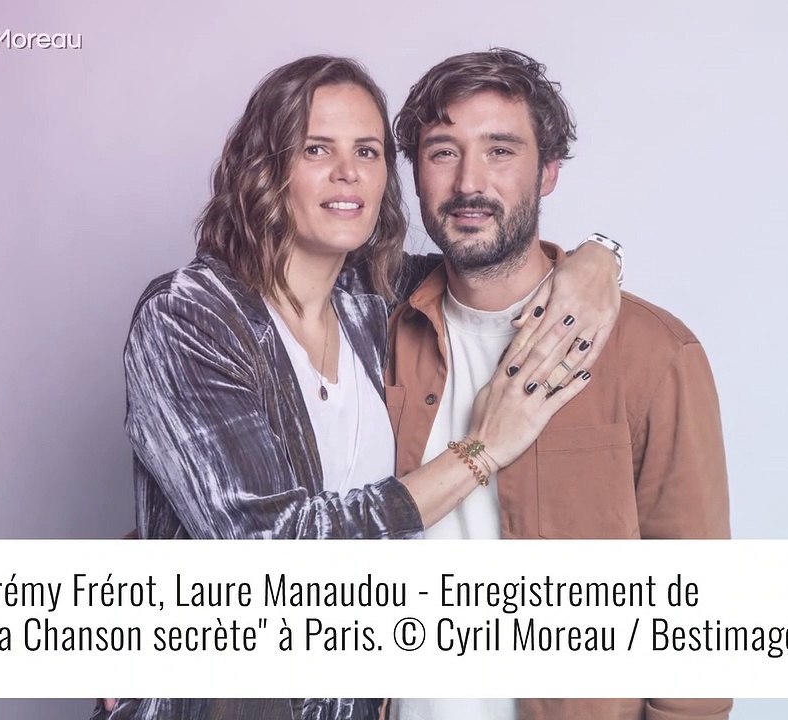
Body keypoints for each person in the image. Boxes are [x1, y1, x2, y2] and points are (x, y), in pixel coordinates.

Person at [102, 55, 622, 720]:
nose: (348, 172)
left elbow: (495, 261)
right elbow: (269, 552)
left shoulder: (374, 306)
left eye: (367, 151)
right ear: (262, 168)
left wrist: (598, 258)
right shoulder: (190, 315)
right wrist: (480, 453)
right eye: (316, 148)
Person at [383, 49, 733, 720]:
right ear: (416, 174)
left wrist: (601, 253)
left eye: (501, 151)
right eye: (443, 152)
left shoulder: (653, 354)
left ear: (548, 173)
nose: (469, 183)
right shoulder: (372, 332)